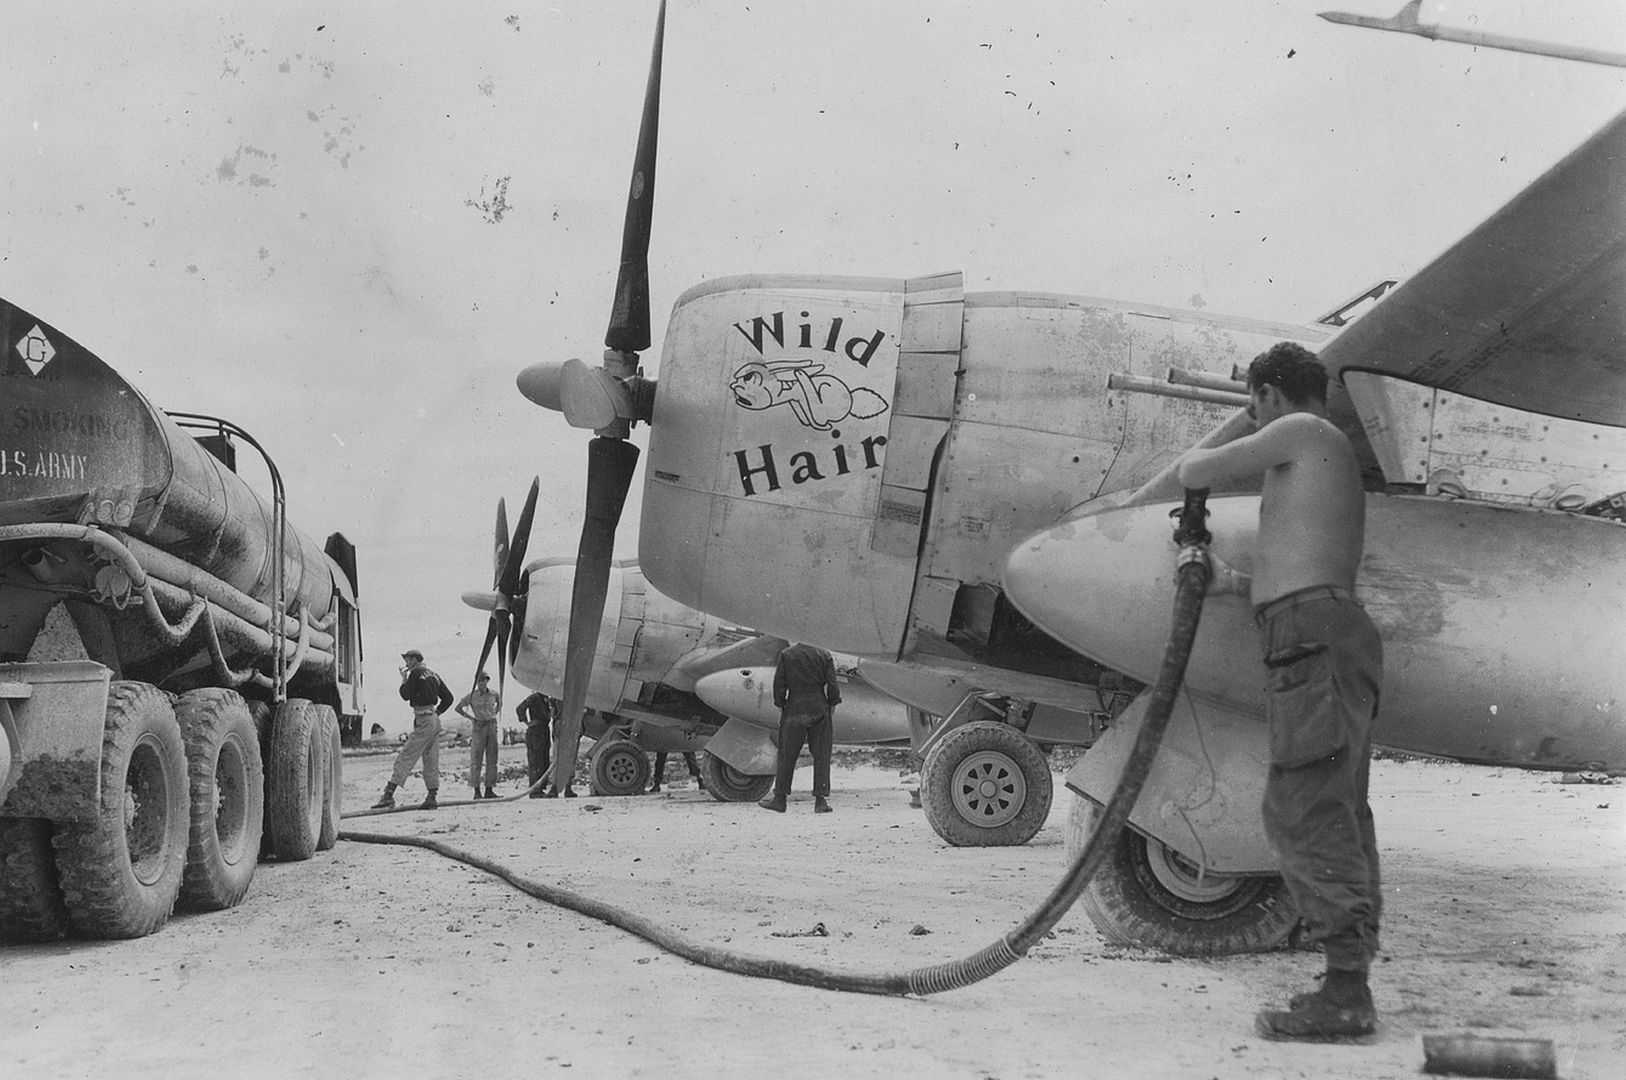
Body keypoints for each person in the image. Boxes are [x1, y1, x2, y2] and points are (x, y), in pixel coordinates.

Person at [1175, 341, 1383, 1041]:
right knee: (1332, 806)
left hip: (1313, 637)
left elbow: (1196, 467)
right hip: (1322, 631)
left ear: (1268, 394)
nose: (1251, 414)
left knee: (1304, 809)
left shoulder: (1303, 430)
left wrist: (1203, 467)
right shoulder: (1318, 454)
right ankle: (1347, 979)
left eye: (1252, 401)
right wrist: (1229, 582)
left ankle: (1347, 992)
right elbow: (1292, 567)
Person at [758, 642, 841, 814]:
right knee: (821, 755)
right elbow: (833, 684)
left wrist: (780, 703)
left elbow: (779, 683)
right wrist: (832, 702)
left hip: (794, 707)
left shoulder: (787, 654)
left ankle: (780, 799)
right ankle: (820, 800)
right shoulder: (824, 654)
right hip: (819, 706)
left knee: (787, 755)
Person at [372, 649, 455, 810]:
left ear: (415, 660)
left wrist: (404, 680)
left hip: (423, 719)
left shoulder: (415, 673)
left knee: (406, 756)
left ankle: (388, 795)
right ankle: (432, 797)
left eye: (408, 660)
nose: (406, 663)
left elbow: (405, 694)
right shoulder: (434, 674)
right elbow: (449, 698)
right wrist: (437, 713)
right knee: (431, 760)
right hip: (433, 719)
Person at [456, 672, 502, 799]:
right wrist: (472, 718)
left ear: (487, 680)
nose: (480, 683)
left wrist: (494, 714)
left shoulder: (494, 694)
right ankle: (476, 791)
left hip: (492, 726)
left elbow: (500, 703)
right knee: (476, 760)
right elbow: (458, 708)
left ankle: (489, 789)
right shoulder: (471, 696)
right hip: (479, 727)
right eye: (478, 680)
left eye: (482, 680)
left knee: (492, 759)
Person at [516, 690, 554, 798]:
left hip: (544, 730)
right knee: (535, 760)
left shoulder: (547, 699)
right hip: (536, 731)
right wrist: (527, 722)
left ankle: (540, 788)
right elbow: (520, 708)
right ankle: (534, 790)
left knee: (544, 760)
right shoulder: (534, 697)